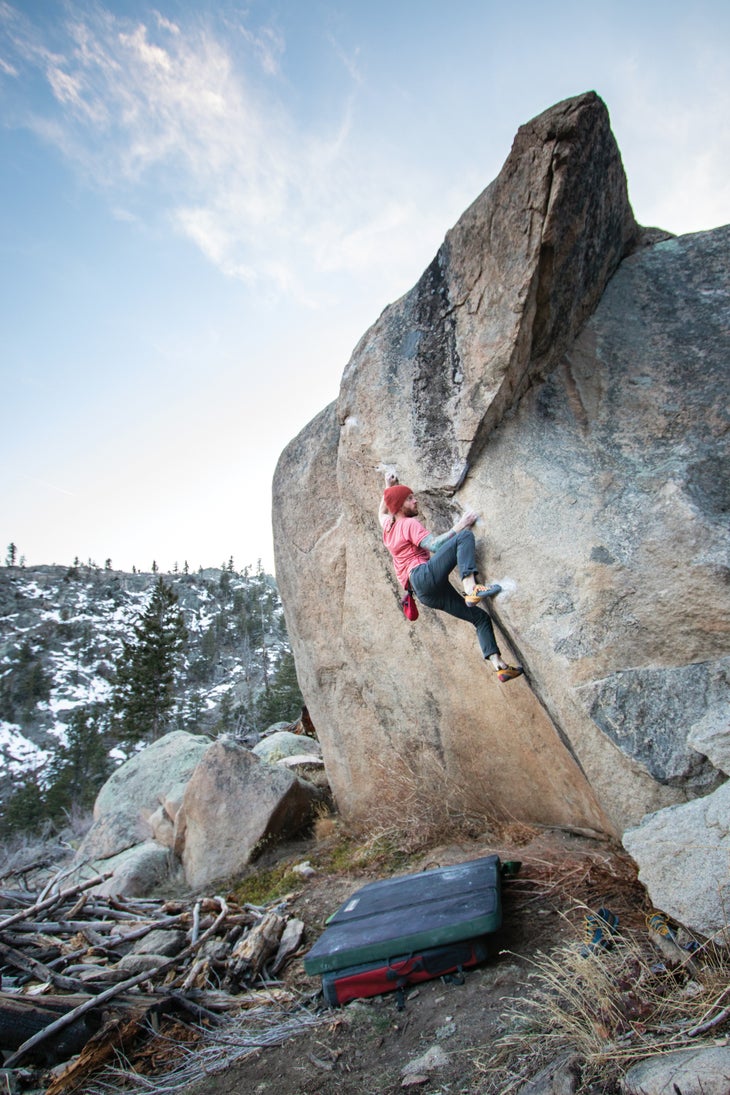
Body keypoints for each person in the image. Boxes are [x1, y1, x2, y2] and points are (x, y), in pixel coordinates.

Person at [378, 475, 523, 683]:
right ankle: (471, 587)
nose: (415, 501)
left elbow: (382, 511)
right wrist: (461, 524)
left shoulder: (388, 527)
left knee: (480, 618)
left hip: (424, 594)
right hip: (423, 576)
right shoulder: (408, 524)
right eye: (410, 499)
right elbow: (435, 546)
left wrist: (388, 487)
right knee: (463, 537)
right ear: (400, 506)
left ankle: (498, 664)